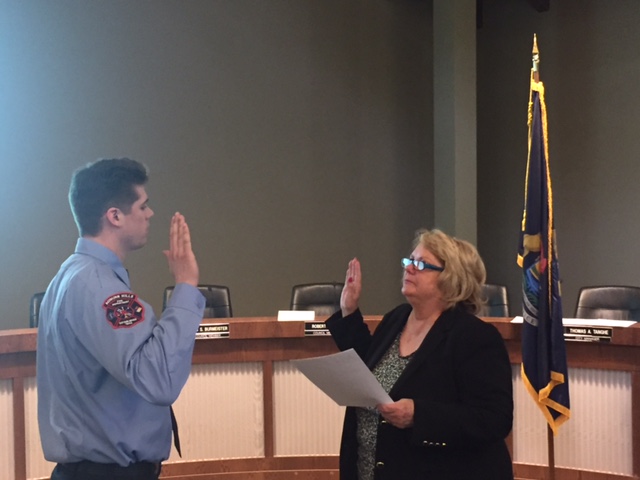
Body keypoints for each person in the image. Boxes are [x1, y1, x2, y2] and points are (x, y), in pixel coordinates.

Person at [36, 158, 206, 480]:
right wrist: (185, 285)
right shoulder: (99, 287)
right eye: (143, 205)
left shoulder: (70, 275)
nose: (149, 213)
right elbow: (158, 379)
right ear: (115, 216)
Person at [326, 229, 514, 480]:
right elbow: (370, 371)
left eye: (421, 264)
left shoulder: (474, 337)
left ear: (451, 279)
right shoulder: (397, 318)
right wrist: (348, 310)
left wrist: (418, 415)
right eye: (409, 260)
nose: (409, 268)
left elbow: (494, 419)